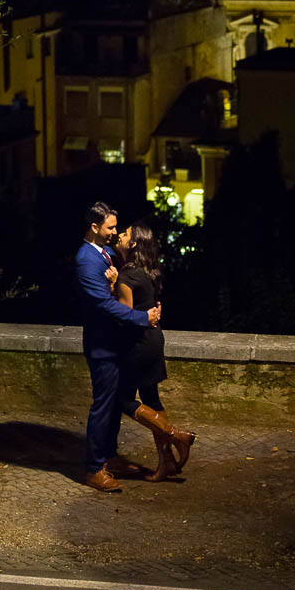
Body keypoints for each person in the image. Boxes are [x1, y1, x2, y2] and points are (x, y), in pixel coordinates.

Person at [75, 201, 161, 492]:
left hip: (116, 344)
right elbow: (104, 305)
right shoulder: (87, 260)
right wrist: (142, 317)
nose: (114, 232)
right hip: (103, 346)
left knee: (112, 407)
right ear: (95, 228)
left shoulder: (107, 253)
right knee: (102, 407)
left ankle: (109, 458)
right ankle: (94, 468)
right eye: (110, 227)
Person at [113, 222, 196, 482]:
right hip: (153, 339)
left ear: (134, 244)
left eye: (125, 234)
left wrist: (113, 286)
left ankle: (176, 435)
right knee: (151, 399)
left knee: (123, 400)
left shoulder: (126, 277)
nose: (119, 235)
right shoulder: (147, 271)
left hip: (138, 343)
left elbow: (124, 317)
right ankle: (166, 462)